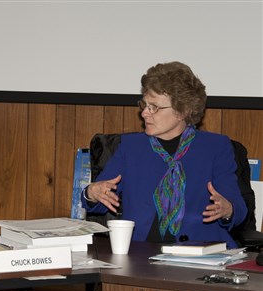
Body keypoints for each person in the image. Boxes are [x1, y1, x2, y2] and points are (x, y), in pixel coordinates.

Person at [81, 61, 247, 248]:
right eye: (144, 105)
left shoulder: (215, 147)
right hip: (141, 254)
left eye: (154, 107)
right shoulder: (130, 147)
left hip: (203, 254)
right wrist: (92, 193)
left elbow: (239, 210)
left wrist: (227, 209)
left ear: (182, 111)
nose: (144, 113)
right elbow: (98, 198)